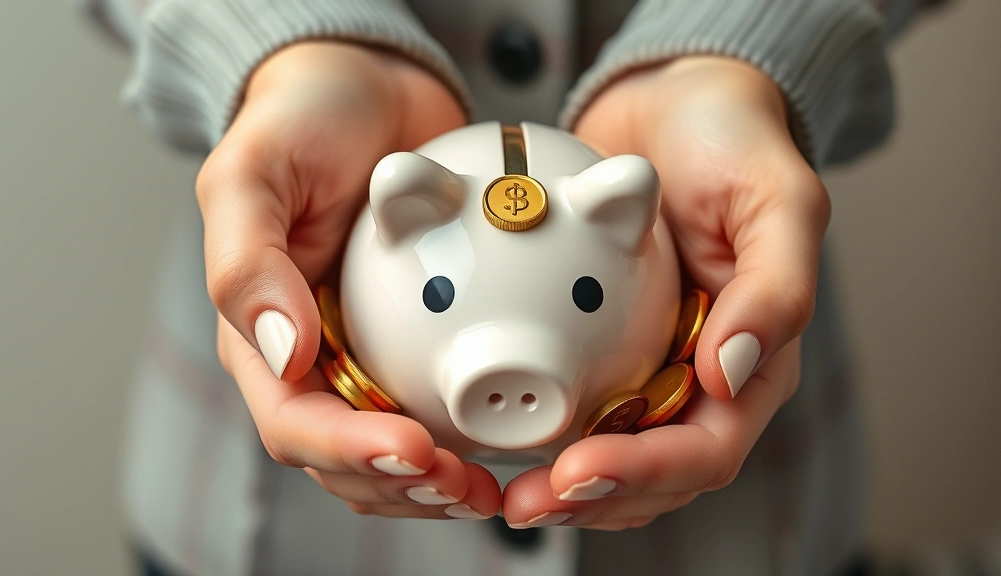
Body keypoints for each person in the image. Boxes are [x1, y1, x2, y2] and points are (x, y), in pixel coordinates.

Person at [82, 1, 946, 575]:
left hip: (745, 530)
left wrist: (745, 49)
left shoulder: (634, 217)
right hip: (260, 526)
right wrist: (282, 41)